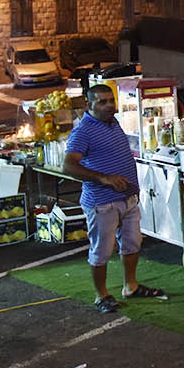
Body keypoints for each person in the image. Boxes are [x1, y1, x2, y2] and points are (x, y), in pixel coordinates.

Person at [65, 83, 165, 313]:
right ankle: (102, 295)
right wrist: (103, 178)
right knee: (101, 250)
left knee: (132, 243)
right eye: (102, 102)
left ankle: (130, 285)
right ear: (89, 105)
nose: (110, 105)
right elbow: (68, 166)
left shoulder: (113, 122)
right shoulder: (83, 131)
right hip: (102, 202)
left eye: (111, 100)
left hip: (128, 198)